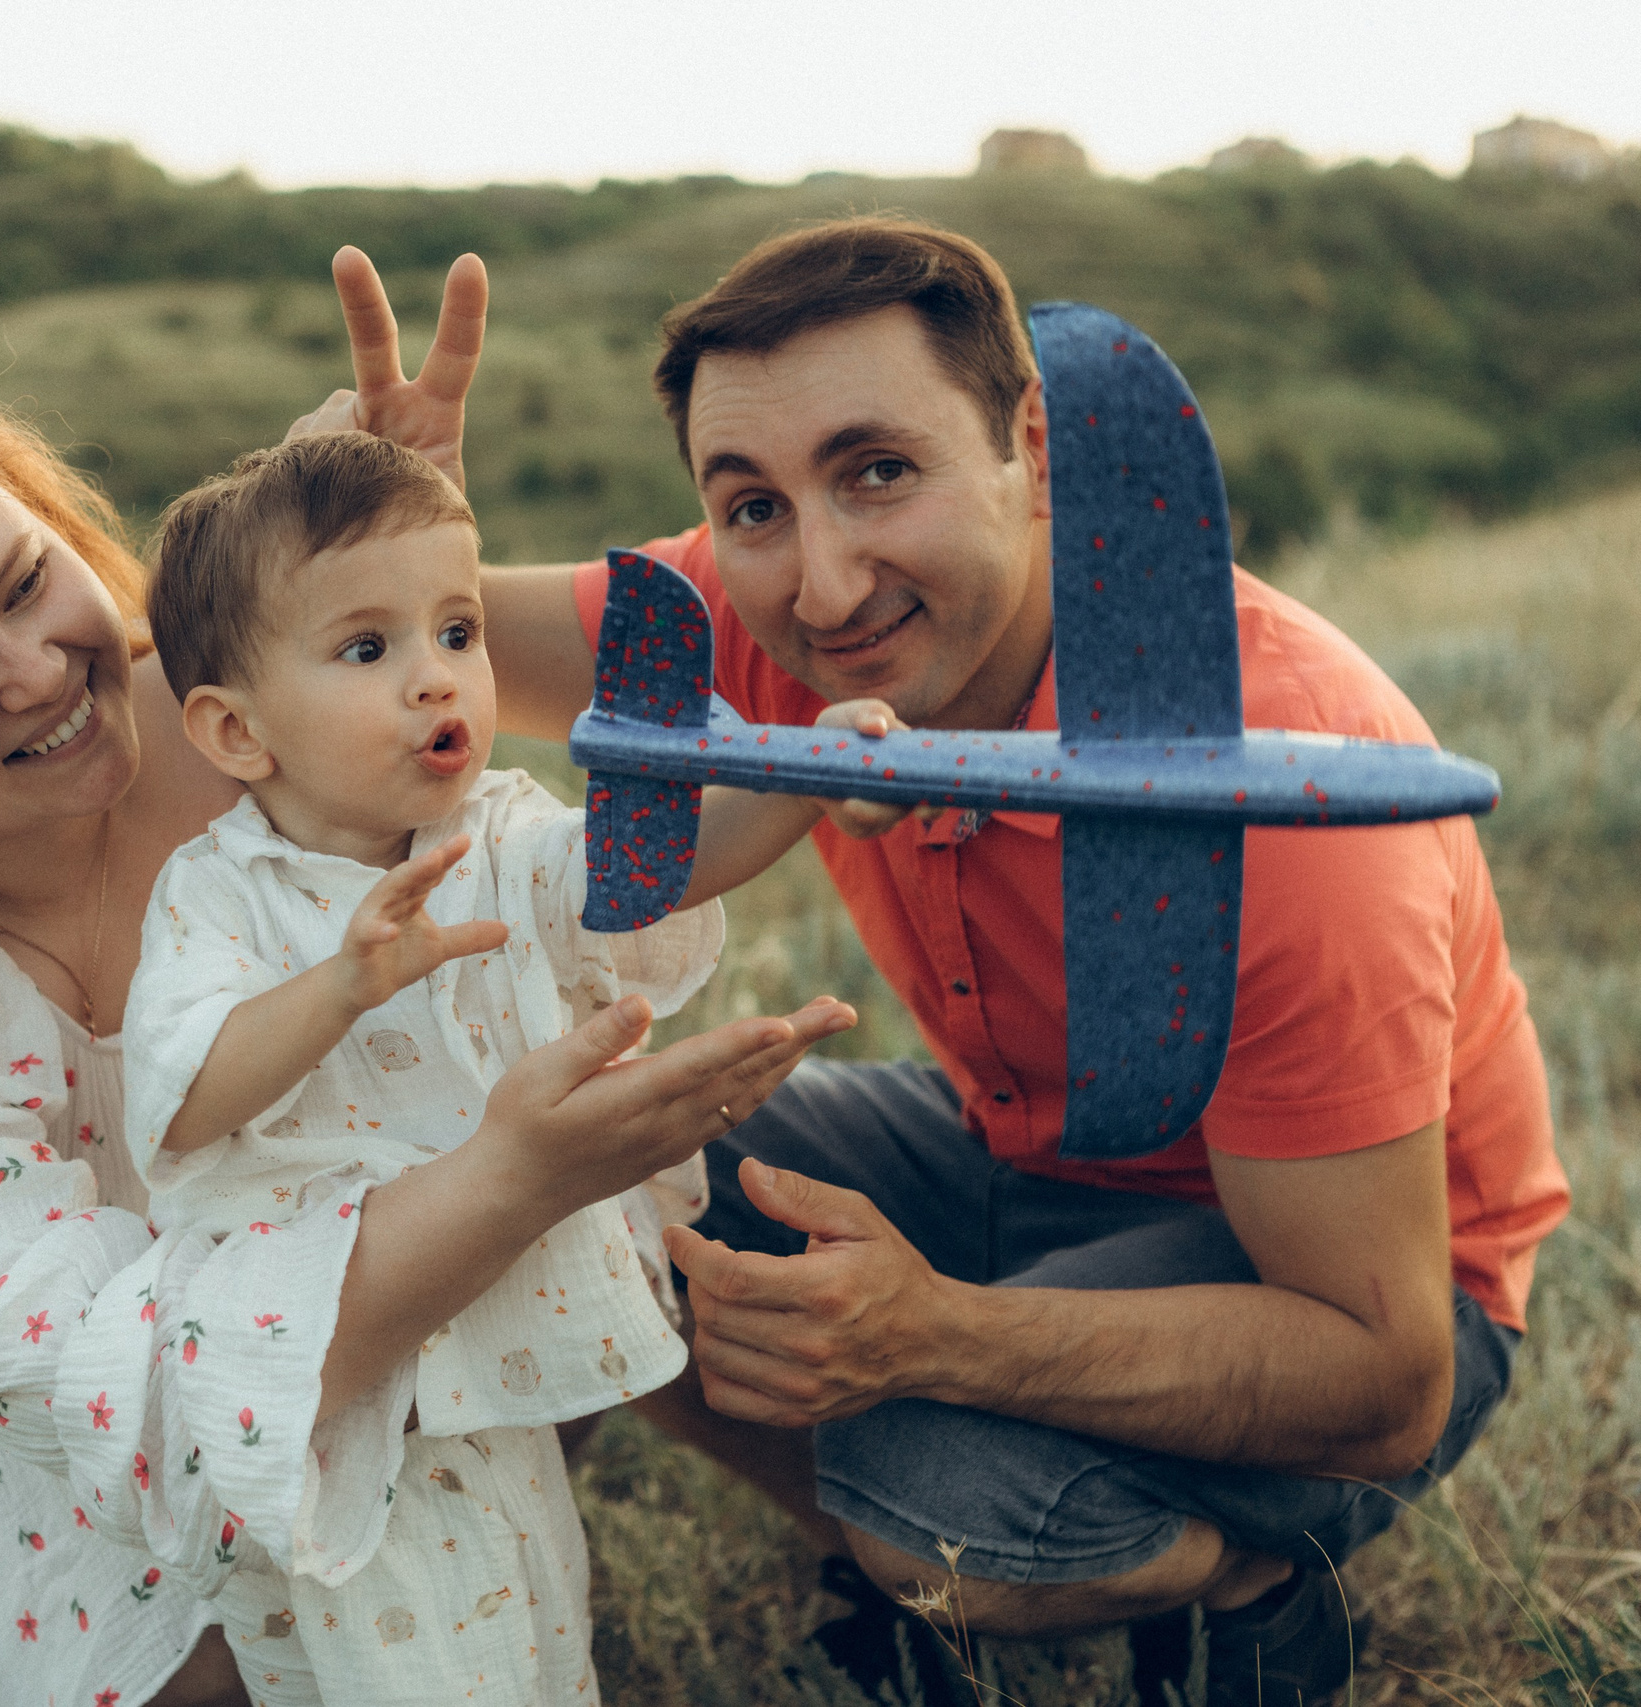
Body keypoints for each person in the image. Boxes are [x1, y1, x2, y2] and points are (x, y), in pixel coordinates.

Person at [0, 263, 848, 1706]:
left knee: (502, 1362)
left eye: (30, 579)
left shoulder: (258, 720)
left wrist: (377, 583)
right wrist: (511, 1174)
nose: (42, 669)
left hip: (327, 1219)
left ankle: (906, 1560)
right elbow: (137, 1384)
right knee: (191, 1637)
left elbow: (531, 861)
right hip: (42, 1383)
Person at [382, 219, 1571, 1703]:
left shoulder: (1271, 779)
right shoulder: (754, 611)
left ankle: (1251, 1581)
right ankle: (902, 1550)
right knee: (557, 1155)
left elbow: (1390, 1379)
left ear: (1033, 448)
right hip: (1028, 1152)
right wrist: (368, 519)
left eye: (881, 471)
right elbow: (359, 655)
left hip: (1352, 1278)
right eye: (753, 502)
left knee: (942, 1496)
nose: (821, 583)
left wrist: (935, 1334)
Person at [119, 431, 855, 1702]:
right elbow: (185, 1096)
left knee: (522, 1598)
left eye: (456, 631)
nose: (435, 680)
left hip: (478, 1335)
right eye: (369, 649)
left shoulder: (497, 830)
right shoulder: (225, 893)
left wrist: (805, 774)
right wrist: (342, 983)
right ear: (235, 731)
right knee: (395, 1629)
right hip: (338, 1338)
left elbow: (640, 874)